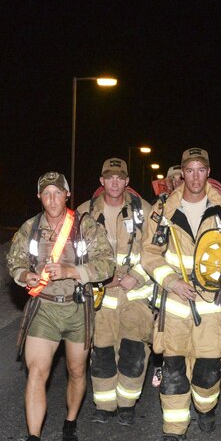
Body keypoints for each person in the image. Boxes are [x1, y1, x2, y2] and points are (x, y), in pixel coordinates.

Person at [140, 147, 221, 441]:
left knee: (207, 372)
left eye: (201, 169)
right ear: (181, 173)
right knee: (173, 369)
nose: (195, 176)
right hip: (174, 305)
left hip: (212, 306)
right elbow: (148, 253)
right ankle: (173, 429)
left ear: (208, 172)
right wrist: (171, 281)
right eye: (190, 170)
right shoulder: (163, 209)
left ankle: (205, 408)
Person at [6, 171, 115, 441]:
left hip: (78, 308)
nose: (52, 199)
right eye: (46, 193)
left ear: (67, 195)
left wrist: (71, 272)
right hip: (44, 308)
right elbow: (13, 261)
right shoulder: (29, 229)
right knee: (37, 371)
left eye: (58, 193)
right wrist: (23, 275)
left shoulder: (85, 226)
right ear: (39, 197)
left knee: (76, 371)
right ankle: (33, 440)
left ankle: (70, 420)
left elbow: (107, 264)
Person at [77, 158, 154, 426]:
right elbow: (75, 255)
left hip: (135, 294)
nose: (114, 182)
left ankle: (127, 404)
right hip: (101, 298)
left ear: (127, 181)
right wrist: (98, 279)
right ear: (101, 180)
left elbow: (156, 251)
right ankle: (105, 405)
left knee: (133, 352)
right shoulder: (83, 212)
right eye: (109, 177)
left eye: (119, 177)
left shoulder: (144, 211)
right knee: (101, 353)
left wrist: (137, 276)